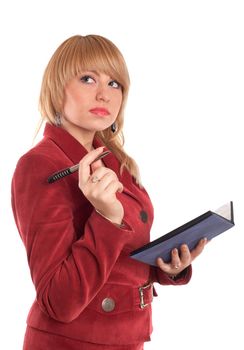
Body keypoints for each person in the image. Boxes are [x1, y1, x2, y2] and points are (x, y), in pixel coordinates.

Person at [11, 34, 207, 350]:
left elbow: (119, 261)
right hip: (72, 343)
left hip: (127, 337)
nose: (104, 94)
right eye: (88, 79)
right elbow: (57, 301)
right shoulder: (40, 165)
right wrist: (106, 218)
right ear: (56, 88)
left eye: (115, 83)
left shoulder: (118, 162)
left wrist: (165, 267)